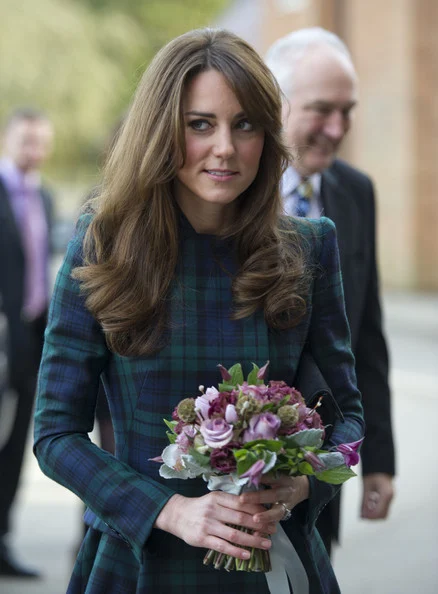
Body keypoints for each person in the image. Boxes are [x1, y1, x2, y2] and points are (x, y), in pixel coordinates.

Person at [34, 28, 364, 593]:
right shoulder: (103, 244)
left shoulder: (309, 247)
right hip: (140, 562)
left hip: (270, 560)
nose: (226, 149)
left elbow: (350, 422)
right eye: (200, 124)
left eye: (246, 124)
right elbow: (55, 435)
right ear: (163, 130)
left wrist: (306, 481)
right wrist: (170, 511)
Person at [265, 27, 396, 556]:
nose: (337, 128)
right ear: (277, 102)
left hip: (323, 467)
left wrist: (378, 459)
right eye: (322, 110)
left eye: (348, 111)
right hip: (228, 458)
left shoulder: (355, 192)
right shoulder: (224, 187)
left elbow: (366, 333)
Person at [0, 108, 54, 577]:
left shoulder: (46, 197)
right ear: (7, 138)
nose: (32, 149)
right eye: (25, 139)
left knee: (17, 445)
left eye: (40, 141)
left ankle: (1, 539)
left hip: (30, 342)